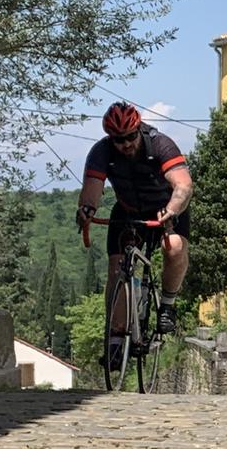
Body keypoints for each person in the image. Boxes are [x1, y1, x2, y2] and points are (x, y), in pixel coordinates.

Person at [75, 102, 194, 336]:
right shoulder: (102, 152)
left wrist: (172, 210)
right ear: (110, 138)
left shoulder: (161, 145)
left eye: (130, 136)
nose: (126, 144)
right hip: (128, 211)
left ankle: (167, 306)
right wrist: (86, 210)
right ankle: (116, 337)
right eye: (119, 140)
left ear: (139, 129)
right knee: (116, 268)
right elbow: (91, 191)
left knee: (175, 247)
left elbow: (184, 185)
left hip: (166, 210)